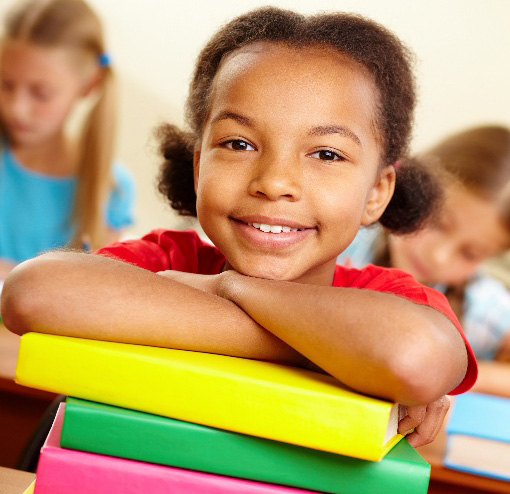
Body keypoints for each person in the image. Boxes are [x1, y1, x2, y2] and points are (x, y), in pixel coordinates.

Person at [2, 7, 477, 447]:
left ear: (376, 191)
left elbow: (414, 358)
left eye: (326, 154)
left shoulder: (390, 297)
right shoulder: (169, 258)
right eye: (238, 143)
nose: (274, 183)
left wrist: (227, 288)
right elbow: (32, 293)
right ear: (198, 166)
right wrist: (341, 353)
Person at [338, 125, 510, 397]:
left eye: (470, 254)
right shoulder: (342, 241)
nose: (439, 256)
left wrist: (451, 378)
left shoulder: (484, 308)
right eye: (438, 223)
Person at [0, 0, 135, 281]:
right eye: (5, 84)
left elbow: (87, 295)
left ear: (89, 85)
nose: (16, 108)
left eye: (41, 93)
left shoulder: (111, 190)